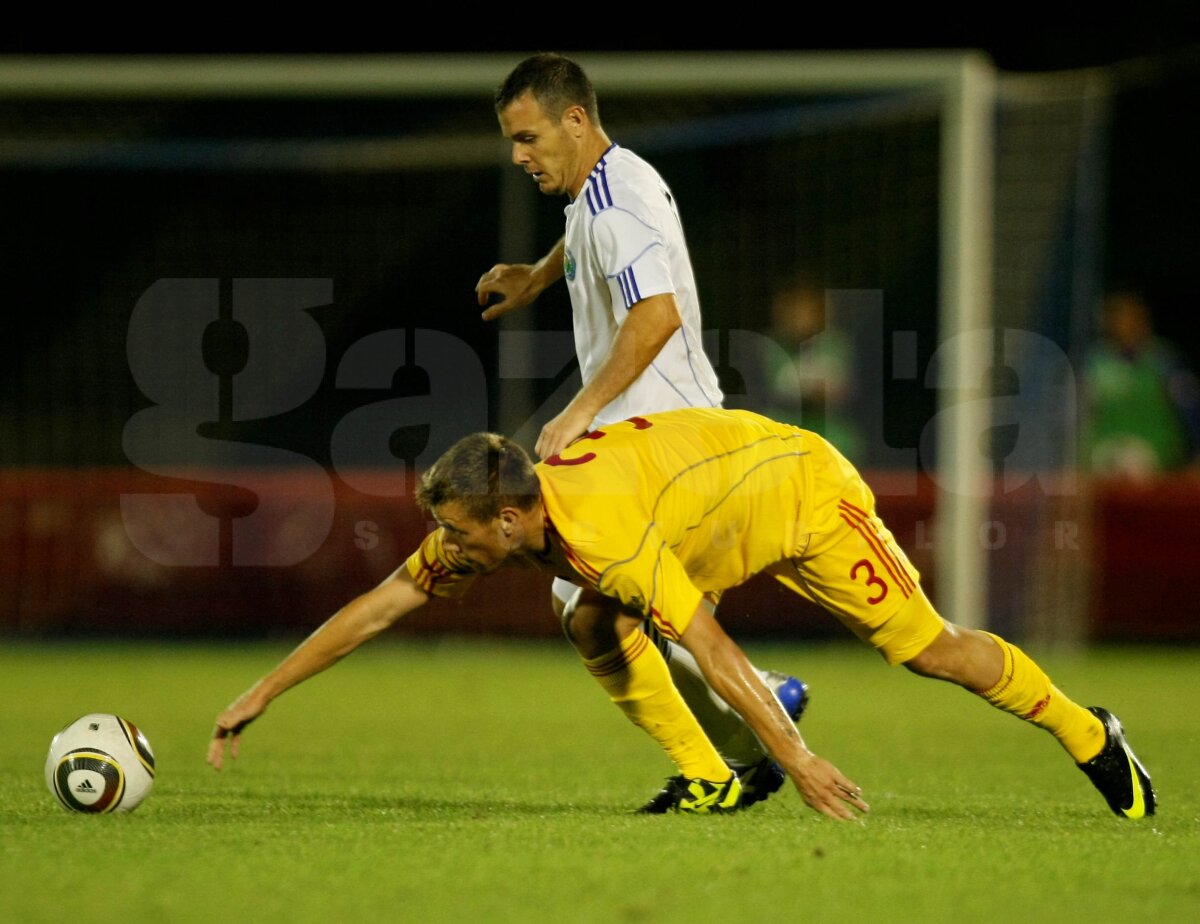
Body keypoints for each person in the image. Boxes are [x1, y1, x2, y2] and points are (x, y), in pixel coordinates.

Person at [211, 407, 1156, 820]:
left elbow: (709, 640)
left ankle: (1086, 730)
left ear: (507, 517)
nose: (446, 550)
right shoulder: (518, 521)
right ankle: (709, 776)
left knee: (928, 650)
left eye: (456, 534)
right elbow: (383, 605)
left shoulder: (601, 538)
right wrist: (264, 690)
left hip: (799, 493)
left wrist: (799, 757)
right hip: (710, 513)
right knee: (587, 616)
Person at [473, 52, 806, 808]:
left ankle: (737, 750)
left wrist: (581, 409)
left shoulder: (617, 200)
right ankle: (747, 738)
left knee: (591, 607)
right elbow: (593, 239)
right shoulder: (607, 184)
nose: (519, 155)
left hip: (662, 435)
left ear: (576, 119)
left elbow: (656, 313)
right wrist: (536, 273)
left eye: (528, 138)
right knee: (601, 607)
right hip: (655, 431)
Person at [1081, 289, 1200, 478]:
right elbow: (1075, 415)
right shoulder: (1093, 363)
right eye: (1119, 317)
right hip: (1103, 454)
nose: (1126, 324)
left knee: (1134, 464)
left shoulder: (1164, 360)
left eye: (1132, 317)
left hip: (1153, 453)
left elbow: (1192, 409)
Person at [759, 277, 863, 461]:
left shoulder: (835, 344)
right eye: (795, 312)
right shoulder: (770, 346)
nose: (801, 318)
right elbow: (777, 390)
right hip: (784, 424)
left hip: (829, 427)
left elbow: (840, 390)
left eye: (807, 311)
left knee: (845, 442)